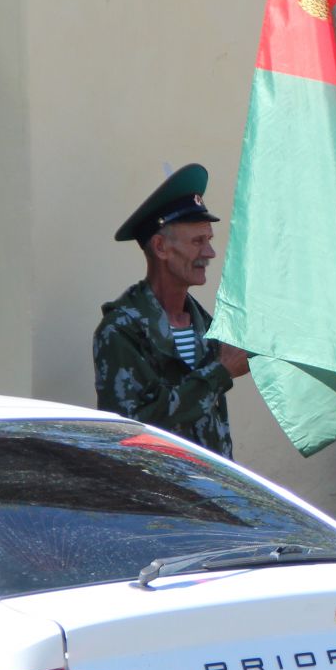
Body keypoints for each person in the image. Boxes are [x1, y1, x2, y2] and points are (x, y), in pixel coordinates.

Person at [94, 164, 251, 455]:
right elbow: (133, 430)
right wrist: (220, 372)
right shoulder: (121, 331)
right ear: (161, 247)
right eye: (197, 242)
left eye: (209, 240)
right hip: (159, 497)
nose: (209, 253)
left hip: (210, 492)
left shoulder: (204, 325)